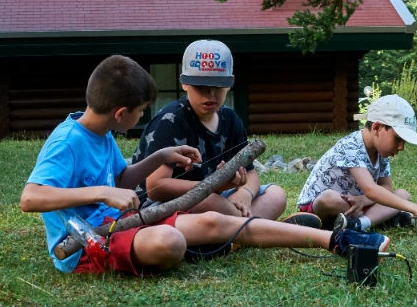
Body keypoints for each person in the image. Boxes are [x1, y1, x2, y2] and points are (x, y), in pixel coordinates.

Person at [20, 55, 389, 275]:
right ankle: (210, 244)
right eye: (138, 113)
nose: (140, 117)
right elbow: (30, 197)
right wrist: (103, 192)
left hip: (123, 225)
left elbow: (122, 177)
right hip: (86, 244)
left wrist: (159, 157)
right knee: (170, 241)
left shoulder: (102, 135)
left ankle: (337, 241)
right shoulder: (67, 141)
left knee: (215, 220)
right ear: (120, 113)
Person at [131, 39, 320, 228]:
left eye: (217, 86)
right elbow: (155, 187)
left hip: (218, 202)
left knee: (276, 195)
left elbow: (250, 173)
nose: (210, 94)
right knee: (209, 202)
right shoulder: (169, 120)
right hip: (160, 208)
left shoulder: (230, 119)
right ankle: (262, 229)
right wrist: (213, 188)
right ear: (184, 84)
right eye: (200, 86)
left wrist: (244, 193)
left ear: (230, 83)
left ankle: (237, 234)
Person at [296, 94, 417, 231]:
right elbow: (371, 190)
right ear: (377, 128)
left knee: (403, 195)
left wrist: (364, 200)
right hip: (319, 208)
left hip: (357, 204)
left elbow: (386, 187)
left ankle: (360, 223)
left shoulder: (380, 151)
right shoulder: (350, 146)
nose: (401, 147)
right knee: (329, 198)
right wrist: (416, 208)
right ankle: (384, 219)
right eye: (398, 139)